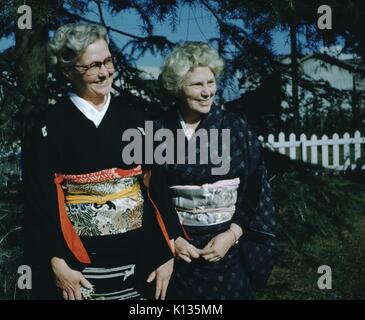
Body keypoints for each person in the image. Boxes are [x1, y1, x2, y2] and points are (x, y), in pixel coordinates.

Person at [23, 22, 181, 300]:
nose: (105, 71)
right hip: (78, 266)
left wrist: (165, 250)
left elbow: (157, 188)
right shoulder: (48, 126)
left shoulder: (136, 120)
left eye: (108, 61)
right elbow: (38, 199)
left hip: (139, 263)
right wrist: (55, 260)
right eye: (93, 65)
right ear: (67, 70)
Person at [156, 42, 278, 299]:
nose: (206, 92)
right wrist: (173, 239)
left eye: (210, 83)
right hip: (179, 254)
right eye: (197, 85)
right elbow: (150, 194)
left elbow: (256, 189)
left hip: (228, 254)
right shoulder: (158, 131)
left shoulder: (237, 129)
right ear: (178, 87)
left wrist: (232, 234)